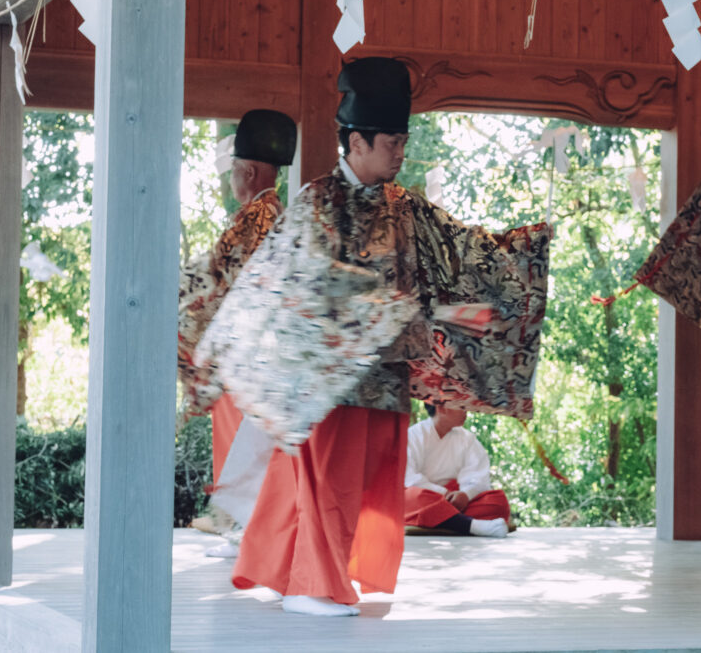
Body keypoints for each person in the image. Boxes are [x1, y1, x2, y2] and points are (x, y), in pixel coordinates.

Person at [213, 57, 550, 617]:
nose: (400, 151)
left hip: (388, 371)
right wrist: (398, 307)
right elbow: (304, 281)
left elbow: (462, 253)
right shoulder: (319, 200)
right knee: (330, 481)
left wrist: (519, 256)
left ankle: (283, 569)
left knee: (364, 483)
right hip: (329, 373)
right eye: (392, 141)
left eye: (402, 140)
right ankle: (312, 587)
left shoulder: (406, 206)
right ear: (358, 141)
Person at [177, 109, 296, 556]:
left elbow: (220, 279)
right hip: (261, 348)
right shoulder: (274, 213)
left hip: (250, 352)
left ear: (247, 171)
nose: (231, 183)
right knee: (248, 445)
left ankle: (246, 531)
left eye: (232, 173)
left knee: (245, 444)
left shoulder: (255, 218)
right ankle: (243, 528)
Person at [404, 404, 511, 538]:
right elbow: (409, 478)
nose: (466, 411)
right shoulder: (413, 435)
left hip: (457, 502)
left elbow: (478, 478)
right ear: (441, 408)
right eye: (461, 406)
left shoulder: (467, 439)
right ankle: (472, 526)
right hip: (426, 498)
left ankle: (445, 520)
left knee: (497, 501)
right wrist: (444, 494)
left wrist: (465, 494)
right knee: (410, 498)